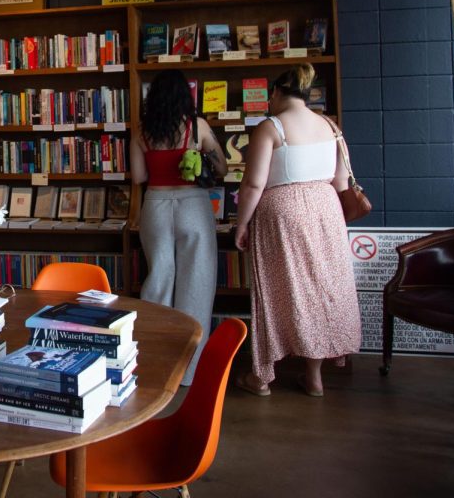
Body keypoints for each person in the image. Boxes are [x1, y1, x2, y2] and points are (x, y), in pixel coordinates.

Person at [233, 64, 362, 397]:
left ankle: (262, 377)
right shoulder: (330, 126)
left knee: (278, 291)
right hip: (326, 210)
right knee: (319, 291)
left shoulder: (271, 127)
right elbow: (340, 181)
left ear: (276, 93)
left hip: (283, 213)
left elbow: (253, 183)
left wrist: (242, 223)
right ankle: (314, 376)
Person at [130, 69, 227, 385]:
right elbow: (223, 167)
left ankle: (153, 361)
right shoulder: (197, 127)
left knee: (159, 278)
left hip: (156, 206)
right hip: (193, 207)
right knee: (196, 283)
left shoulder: (142, 131)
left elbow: (139, 178)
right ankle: (189, 371)